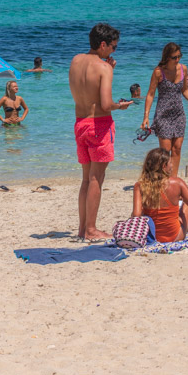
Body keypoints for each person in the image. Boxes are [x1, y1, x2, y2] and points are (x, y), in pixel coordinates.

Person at [69, 23, 132, 241]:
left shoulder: (75, 61)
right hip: (99, 125)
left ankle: (82, 228)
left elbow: (83, 91)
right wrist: (120, 105)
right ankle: (91, 229)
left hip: (80, 123)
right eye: (113, 47)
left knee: (86, 179)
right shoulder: (104, 68)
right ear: (103, 45)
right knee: (97, 178)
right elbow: (106, 104)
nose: (114, 51)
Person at [141, 42, 188, 180]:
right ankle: (163, 179)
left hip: (178, 114)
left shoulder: (183, 69)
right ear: (167, 57)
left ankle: (173, 180)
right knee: (165, 151)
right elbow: (151, 94)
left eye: (179, 56)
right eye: (174, 57)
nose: (177, 60)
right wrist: (146, 116)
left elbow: (185, 90)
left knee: (177, 148)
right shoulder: (159, 72)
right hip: (163, 115)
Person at [131, 147, 188, 243]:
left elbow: (136, 215)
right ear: (164, 166)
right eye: (170, 163)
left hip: (152, 237)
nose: (172, 166)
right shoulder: (177, 183)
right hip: (175, 236)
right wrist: (183, 197)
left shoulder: (139, 185)